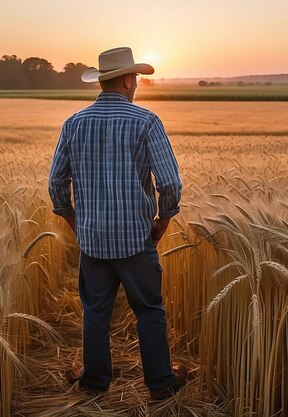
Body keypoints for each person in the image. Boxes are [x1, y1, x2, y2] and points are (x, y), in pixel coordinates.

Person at [48, 47, 186, 400]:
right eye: (136, 78)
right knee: (149, 311)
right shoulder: (146, 122)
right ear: (127, 80)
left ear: (103, 81)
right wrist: (162, 222)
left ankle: (94, 382)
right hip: (137, 240)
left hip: (93, 241)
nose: (136, 84)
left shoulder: (74, 123)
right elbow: (170, 183)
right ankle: (160, 384)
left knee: (96, 312)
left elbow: (55, 183)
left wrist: (74, 221)